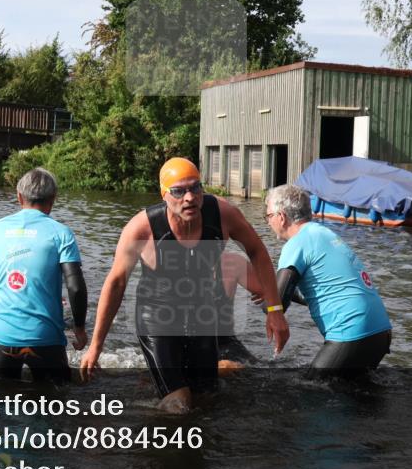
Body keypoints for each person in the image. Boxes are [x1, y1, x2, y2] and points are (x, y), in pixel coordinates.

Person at [79, 158, 290, 413]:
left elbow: (257, 250)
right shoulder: (142, 229)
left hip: (202, 315)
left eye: (196, 188)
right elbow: (116, 283)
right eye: (179, 191)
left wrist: (274, 310)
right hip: (158, 316)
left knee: (207, 400)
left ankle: (159, 384)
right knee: (179, 405)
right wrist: (96, 346)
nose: (189, 197)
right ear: (164, 194)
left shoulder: (223, 214)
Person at [0, 168, 87, 385]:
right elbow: (76, 287)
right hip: (46, 337)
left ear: (19, 197)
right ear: (53, 199)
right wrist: (79, 328)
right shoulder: (61, 232)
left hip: (2, 336)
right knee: (57, 408)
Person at [264, 184, 392, 378]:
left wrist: (264, 296)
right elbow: (322, 292)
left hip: (352, 332)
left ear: (281, 217)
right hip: (380, 331)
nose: (268, 222)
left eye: (268, 216)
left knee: (313, 392)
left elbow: (277, 303)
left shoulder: (297, 243)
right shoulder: (323, 234)